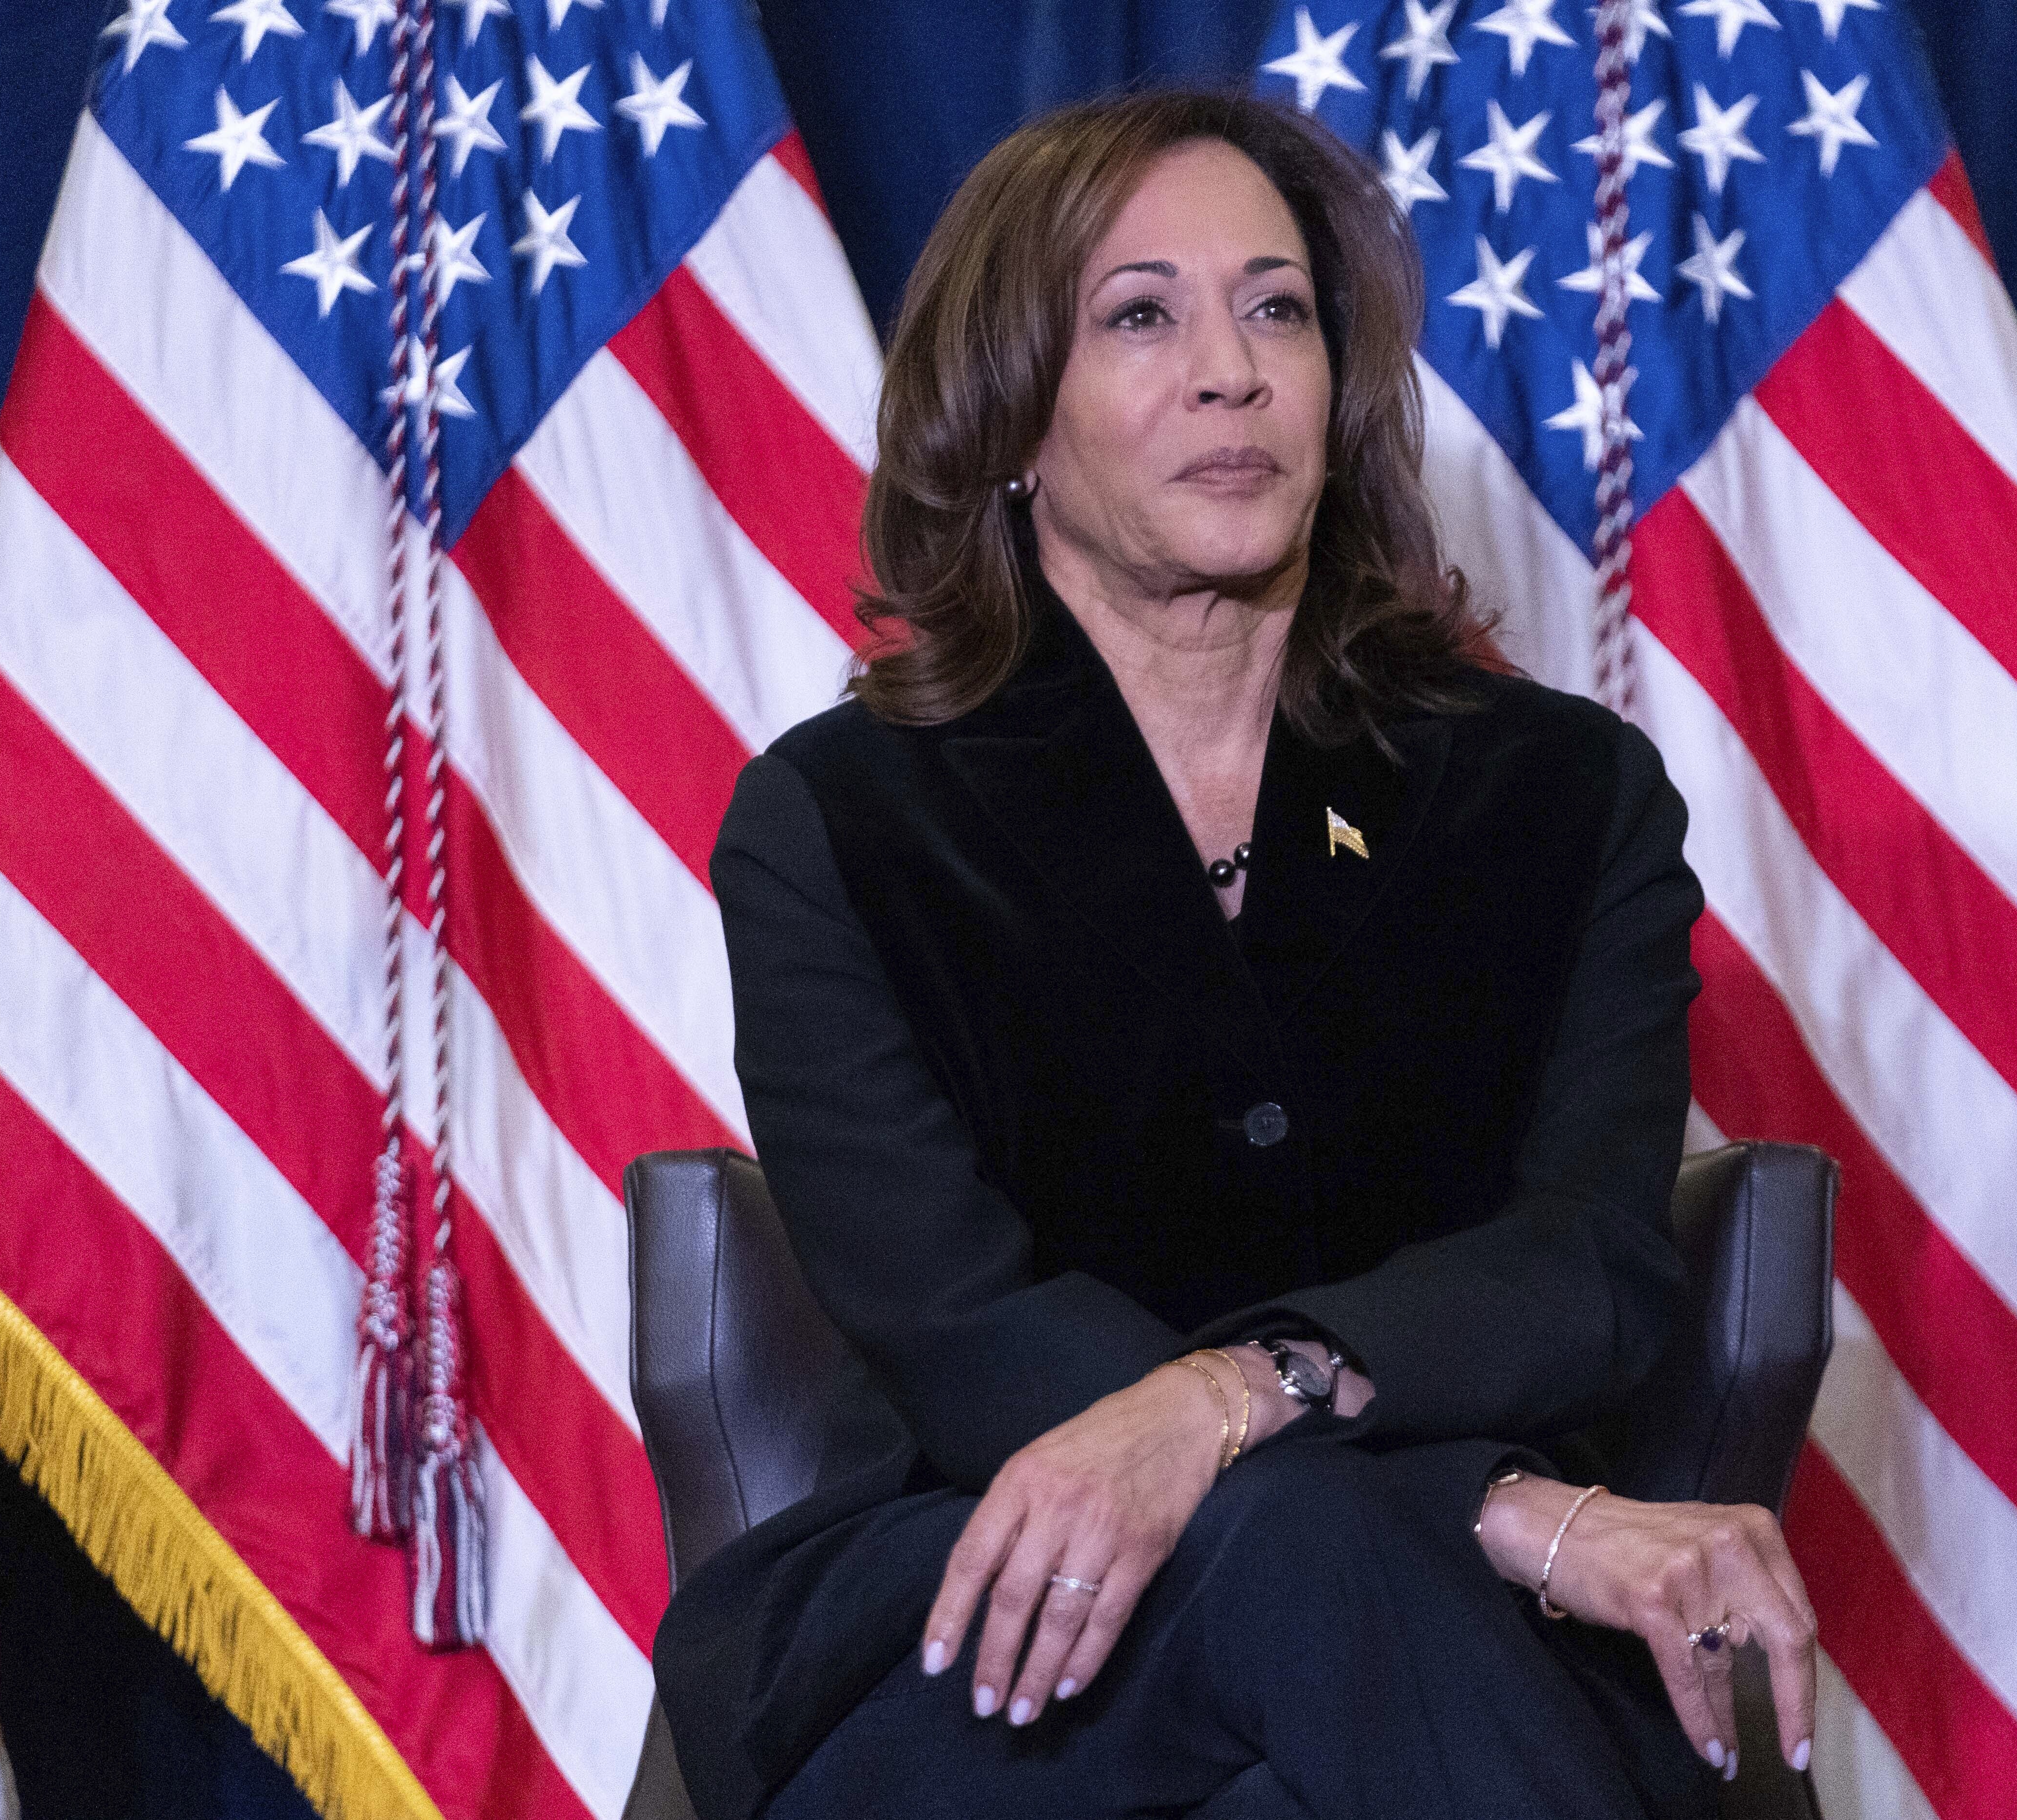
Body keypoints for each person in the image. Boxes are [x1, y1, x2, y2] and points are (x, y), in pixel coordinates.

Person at [650, 88, 1816, 1820]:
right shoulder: (843, 822)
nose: (1232, 370)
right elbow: (962, 1330)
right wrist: (1492, 1507)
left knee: (1326, 1576)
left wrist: (1225, 1396)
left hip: (1443, 1645)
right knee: (1318, 1549)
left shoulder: (1564, 799)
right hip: (989, 1616)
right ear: (1014, 413)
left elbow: (1587, 1271)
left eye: (1276, 307)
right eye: (1141, 315)